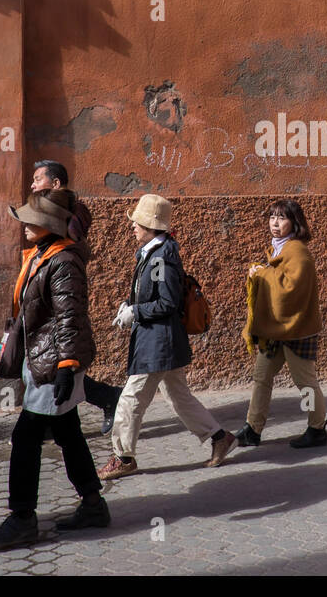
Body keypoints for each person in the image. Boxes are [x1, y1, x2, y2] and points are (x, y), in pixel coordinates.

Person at [0, 188, 109, 547]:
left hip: (53, 362)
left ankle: (22, 517)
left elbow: (71, 316)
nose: (23, 224)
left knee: (26, 437)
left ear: (50, 224)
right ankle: (93, 504)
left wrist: (67, 365)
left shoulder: (64, 261)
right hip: (45, 357)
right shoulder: (45, 254)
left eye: (31, 219)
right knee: (68, 432)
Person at [98, 194, 237, 478]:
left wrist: (135, 312)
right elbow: (152, 294)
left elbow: (167, 303)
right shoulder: (152, 252)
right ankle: (219, 437)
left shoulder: (162, 257)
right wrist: (130, 304)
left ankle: (123, 457)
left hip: (158, 343)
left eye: (137, 221)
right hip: (160, 341)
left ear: (151, 225)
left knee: (130, 400)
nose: (132, 226)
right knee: (179, 397)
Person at [32, 159, 121, 436]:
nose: (33, 185)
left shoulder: (70, 217)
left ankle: (104, 398)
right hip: (51, 297)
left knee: (64, 365)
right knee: (53, 364)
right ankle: (55, 419)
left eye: (38, 179)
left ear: (56, 184)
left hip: (61, 294)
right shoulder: (61, 213)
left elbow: (66, 259)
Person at [234, 199, 327, 448]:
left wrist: (261, 273)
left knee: (305, 384)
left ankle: (316, 427)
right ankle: (252, 428)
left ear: (294, 223)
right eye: (272, 217)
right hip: (274, 330)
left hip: (296, 330)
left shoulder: (297, 251)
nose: (275, 223)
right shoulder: (278, 248)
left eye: (282, 218)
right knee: (261, 377)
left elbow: (289, 289)